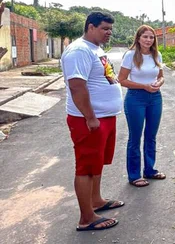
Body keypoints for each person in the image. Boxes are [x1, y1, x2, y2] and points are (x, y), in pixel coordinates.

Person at [61, 12, 123, 231]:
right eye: (104, 28)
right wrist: (90, 117)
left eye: (110, 29)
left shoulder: (95, 49)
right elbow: (77, 87)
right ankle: (86, 217)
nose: (109, 33)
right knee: (86, 167)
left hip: (104, 118)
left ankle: (96, 201)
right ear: (90, 27)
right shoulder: (79, 50)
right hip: (88, 120)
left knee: (97, 164)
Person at [118, 25, 165, 187]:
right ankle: (134, 175)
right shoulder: (130, 55)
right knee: (135, 137)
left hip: (155, 98)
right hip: (136, 98)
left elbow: (161, 76)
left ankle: (150, 170)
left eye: (151, 37)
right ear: (138, 38)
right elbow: (122, 80)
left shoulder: (156, 55)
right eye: (145, 37)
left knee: (151, 135)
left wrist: (158, 83)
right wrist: (144, 86)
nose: (148, 40)